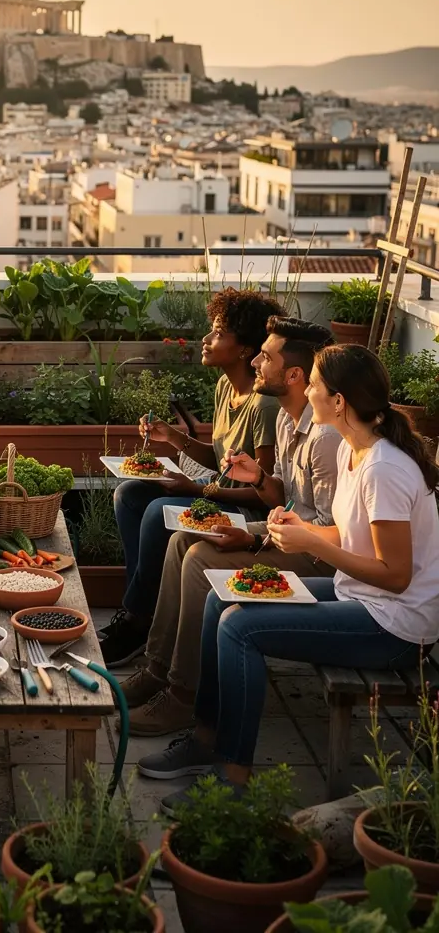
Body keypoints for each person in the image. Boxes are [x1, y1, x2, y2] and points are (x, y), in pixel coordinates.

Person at [139, 344, 439, 815]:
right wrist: (301, 530)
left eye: (315, 384)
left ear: (338, 400)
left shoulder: (384, 468)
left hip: (395, 626)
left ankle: (233, 776)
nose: (308, 391)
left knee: (240, 628)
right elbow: (351, 533)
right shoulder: (356, 452)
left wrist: (311, 544)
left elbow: (397, 576)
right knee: (221, 597)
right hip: (359, 596)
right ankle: (205, 738)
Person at [123, 316, 340, 741]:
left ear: (295, 375)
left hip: (319, 555)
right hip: (286, 530)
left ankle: (183, 695)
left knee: (199, 559)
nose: (256, 361)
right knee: (183, 539)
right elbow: (282, 495)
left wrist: (255, 538)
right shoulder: (288, 420)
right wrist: (257, 477)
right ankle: (157, 669)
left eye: (267, 357)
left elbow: (331, 532)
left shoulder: (325, 438)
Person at [101, 287, 283, 667]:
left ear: (245, 350)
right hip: (218, 496)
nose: (206, 339)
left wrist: (196, 489)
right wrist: (174, 437)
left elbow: (265, 493)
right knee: (130, 494)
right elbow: (221, 460)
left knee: (158, 512)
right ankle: (141, 611)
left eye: (218, 333)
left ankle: (138, 622)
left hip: (246, 515)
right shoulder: (226, 387)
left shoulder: (264, 406)